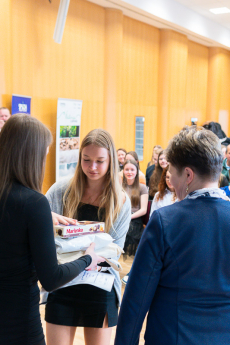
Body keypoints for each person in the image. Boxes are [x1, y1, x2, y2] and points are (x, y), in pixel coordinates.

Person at [114, 125, 230, 345]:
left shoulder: (165, 221)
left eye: (172, 174)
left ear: (187, 174)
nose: (172, 183)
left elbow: (136, 301)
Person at [0, 114, 103, 345]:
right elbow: (51, 278)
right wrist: (88, 259)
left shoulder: (28, 204)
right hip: (18, 323)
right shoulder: (34, 203)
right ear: (31, 157)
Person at [44, 128, 131, 345]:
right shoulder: (60, 191)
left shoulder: (120, 200)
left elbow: (115, 250)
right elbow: (42, 237)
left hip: (99, 287)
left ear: (111, 160)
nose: (92, 167)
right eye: (86, 159)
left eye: (100, 161)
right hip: (63, 283)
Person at [121, 159, 148, 285]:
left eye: (132, 169)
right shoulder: (118, 186)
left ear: (137, 171)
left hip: (134, 219)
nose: (129, 172)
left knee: (131, 232)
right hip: (120, 217)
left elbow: (143, 210)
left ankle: (131, 273)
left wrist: (128, 217)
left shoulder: (142, 187)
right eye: (127, 169)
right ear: (123, 171)